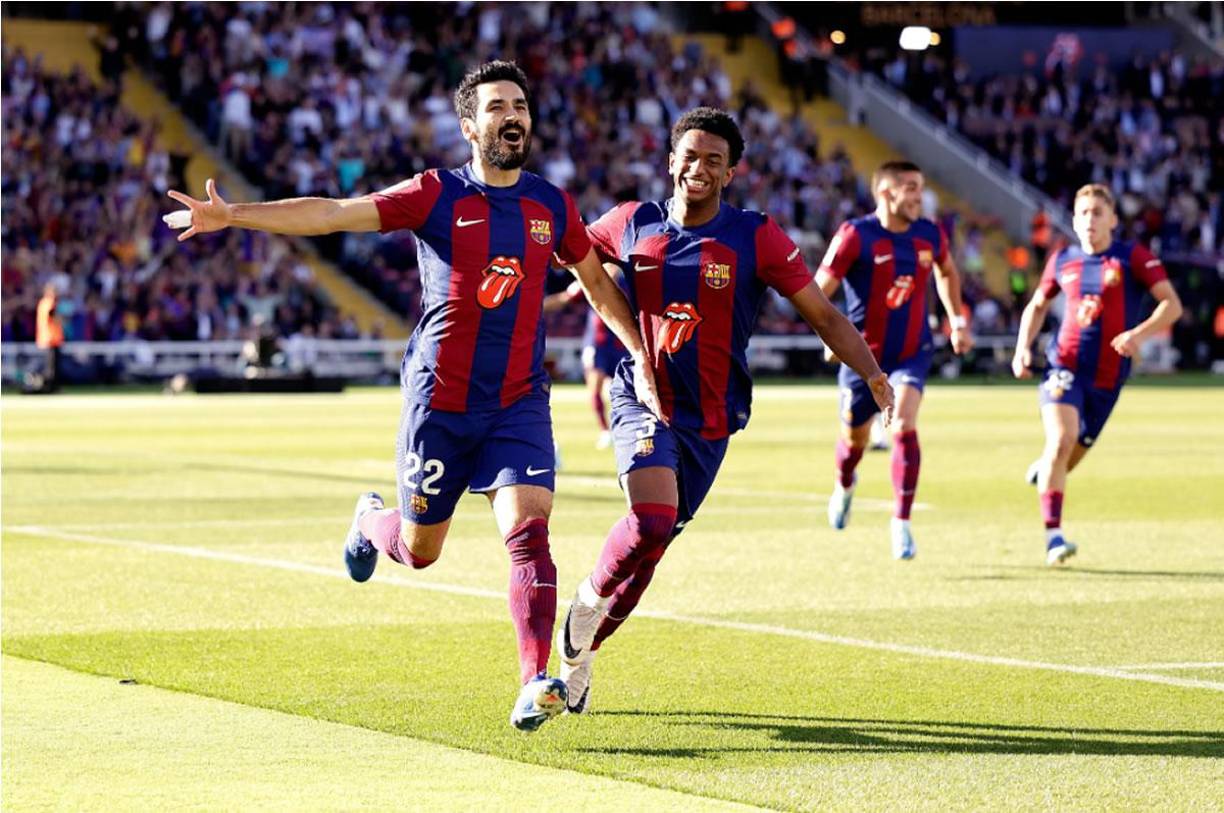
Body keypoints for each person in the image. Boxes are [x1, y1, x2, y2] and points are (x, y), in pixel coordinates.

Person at [162, 61, 661, 732]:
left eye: (520, 105)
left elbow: (595, 281)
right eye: (497, 107)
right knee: (422, 550)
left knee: (529, 534)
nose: (514, 116)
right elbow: (335, 214)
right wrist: (236, 216)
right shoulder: (435, 195)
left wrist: (636, 349)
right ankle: (373, 519)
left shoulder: (552, 205)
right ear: (468, 126)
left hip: (517, 401)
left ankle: (534, 679)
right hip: (439, 404)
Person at [553, 108, 894, 714]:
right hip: (643, 395)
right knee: (651, 519)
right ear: (671, 161)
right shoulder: (632, 222)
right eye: (691, 155)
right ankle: (584, 599)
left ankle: (583, 654)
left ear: (731, 172)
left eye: (715, 159)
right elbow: (567, 245)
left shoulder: (755, 236)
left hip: (711, 420)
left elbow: (823, 314)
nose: (700, 168)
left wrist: (870, 371)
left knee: (651, 552)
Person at [1012, 184, 1182, 566]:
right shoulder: (1063, 259)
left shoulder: (1131, 257)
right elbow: (1037, 305)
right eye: (1083, 213)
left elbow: (1172, 305)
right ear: (1074, 220)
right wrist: (1024, 347)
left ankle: (1045, 470)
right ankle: (1053, 537)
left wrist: (1138, 335)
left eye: (1097, 213)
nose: (1090, 220)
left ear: (1113, 220)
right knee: (1061, 439)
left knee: (1065, 460)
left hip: (1108, 379)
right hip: (1064, 365)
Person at [815, 160, 973, 560]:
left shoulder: (929, 234)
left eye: (921, 187)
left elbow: (948, 273)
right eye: (911, 188)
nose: (920, 196)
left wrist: (956, 319)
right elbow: (816, 291)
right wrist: (829, 337)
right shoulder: (855, 235)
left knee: (903, 424)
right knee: (855, 440)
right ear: (886, 192)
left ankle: (901, 521)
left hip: (911, 352)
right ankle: (845, 484)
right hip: (862, 360)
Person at [543, 280, 630, 448]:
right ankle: (605, 431)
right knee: (594, 387)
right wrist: (537, 306)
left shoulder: (627, 280)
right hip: (598, 343)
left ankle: (625, 430)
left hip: (623, 344)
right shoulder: (592, 277)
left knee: (625, 392)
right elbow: (565, 298)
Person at [35, 283, 64, 393]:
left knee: (51, 366)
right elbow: (53, 316)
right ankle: (51, 388)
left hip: (48, 338)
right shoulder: (49, 303)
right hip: (51, 339)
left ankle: (51, 387)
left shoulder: (43, 303)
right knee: (51, 367)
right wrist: (61, 319)